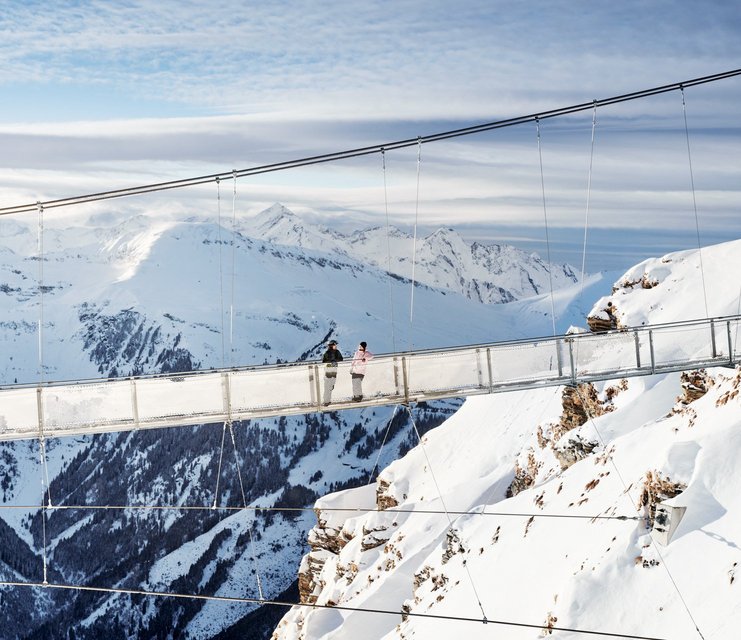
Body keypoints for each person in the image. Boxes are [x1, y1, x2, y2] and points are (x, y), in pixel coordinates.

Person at [322, 340, 343, 405]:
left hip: (333, 372)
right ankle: (326, 401)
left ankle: (327, 400)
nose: (335, 346)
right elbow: (324, 362)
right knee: (328, 387)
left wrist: (334, 361)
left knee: (330, 387)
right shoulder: (327, 353)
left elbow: (341, 359)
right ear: (331, 346)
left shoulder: (336, 352)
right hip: (329, 372)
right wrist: (332, 362)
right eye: (334, 345)